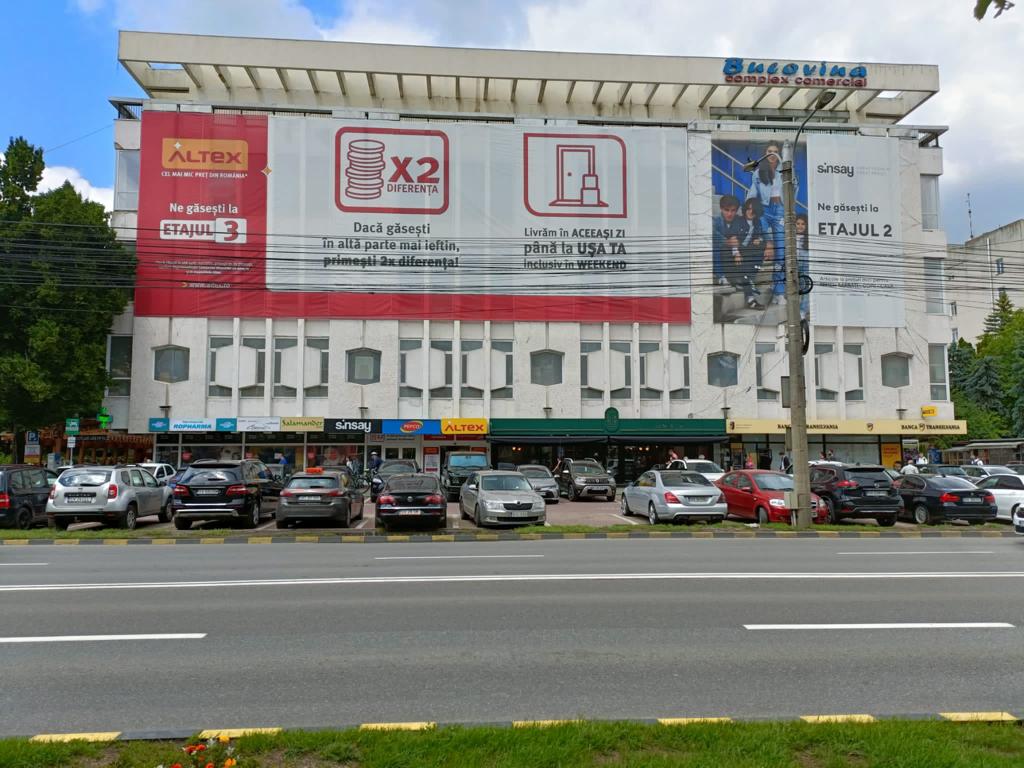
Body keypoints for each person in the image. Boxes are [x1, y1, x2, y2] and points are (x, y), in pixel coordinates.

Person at [747, 143, 785, 293]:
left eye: (775, 152)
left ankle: (778, 289)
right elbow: (753, 191)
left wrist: (789, 207)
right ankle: (749, 278)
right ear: (765, 153)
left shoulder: (785, 170)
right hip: (763, 209)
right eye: (769, 151)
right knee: (758, 242)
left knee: (781, 250)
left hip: (779, 210)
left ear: (779, 154)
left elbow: (793, 188)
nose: (772, 154)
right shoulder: (758, 172)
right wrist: (748, 207)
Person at [713, 194, 747, 285]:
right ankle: (721, 276)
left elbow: (740, 237)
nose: (729, 214)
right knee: (716, 247)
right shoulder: (716, 220)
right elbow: (713, 234)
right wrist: (726, 241)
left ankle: (740, 277)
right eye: (726, 210)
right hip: (720, 250)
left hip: (733, 251)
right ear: (721, 208)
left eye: (733, 210)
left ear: (737, 210)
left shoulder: (739, 220)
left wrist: (736, 249)